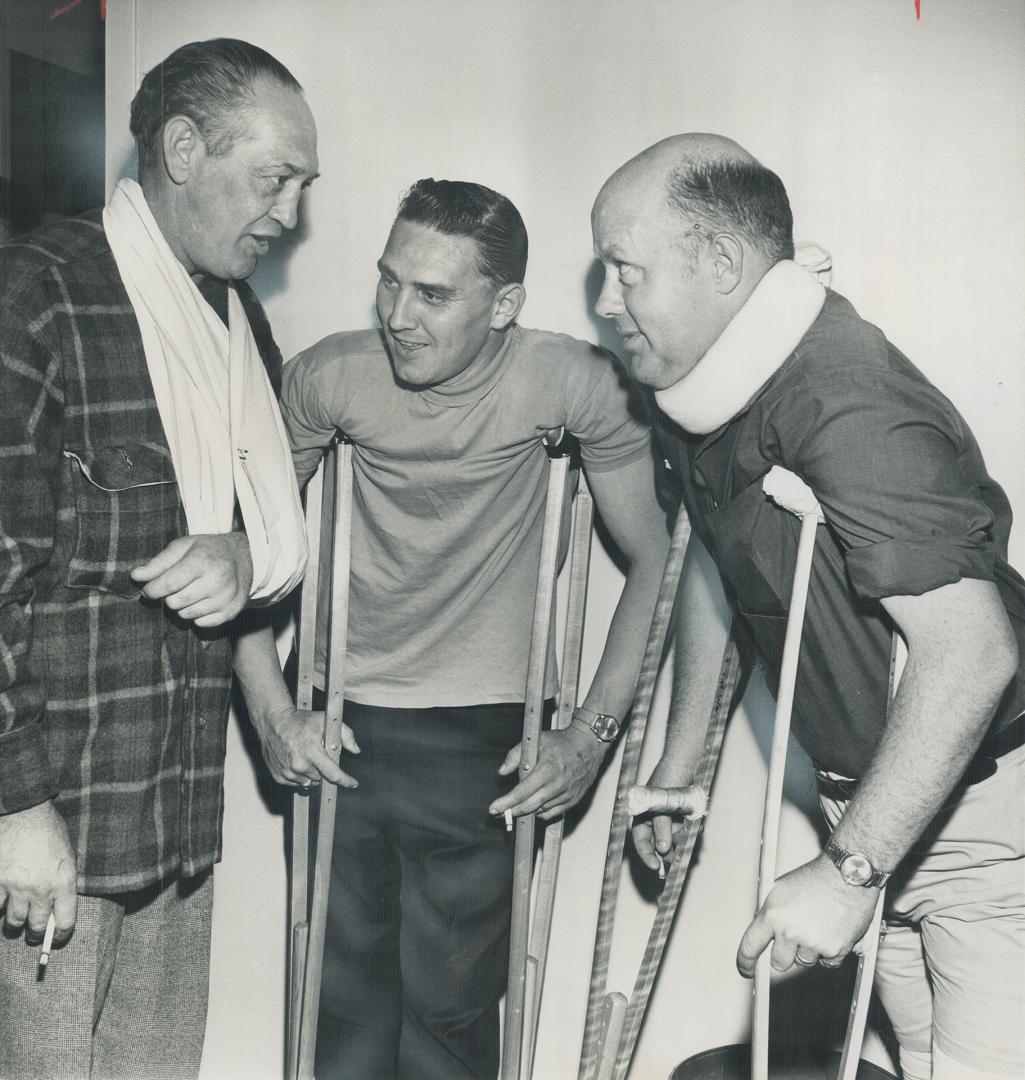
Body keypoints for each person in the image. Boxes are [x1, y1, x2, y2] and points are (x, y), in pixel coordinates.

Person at [591, 134, 1025, 1080]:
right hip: (879, 802)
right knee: (917, 1060)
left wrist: (845, 873)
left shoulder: (847, 400)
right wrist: (680, 763)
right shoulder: (702, 399)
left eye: (625, 271)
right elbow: (720, 569)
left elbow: (972, 655)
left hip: (991, 813)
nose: (604, 303)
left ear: (720, 263)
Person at [233, 178, 671, 1079]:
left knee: (449, 1016)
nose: (398, 313)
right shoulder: (328, 377)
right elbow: (246, 553)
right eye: (389, 281)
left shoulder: (573, 382)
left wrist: (588, 736)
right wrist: (273, 713)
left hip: (486, 734)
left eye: (432, 293)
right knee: (339, 1010)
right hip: (340, 719)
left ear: (504, 303)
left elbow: (659, 562)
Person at [0, 38, 317, 1079]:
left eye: (302, 187)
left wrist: (244, 576)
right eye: (274, 178)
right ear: (182, 149)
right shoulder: (36, 294)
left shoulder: (236, 322)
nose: (289, 213)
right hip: (53, 829)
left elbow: (254, 538)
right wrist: (15, 807)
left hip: (179, 823)